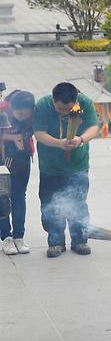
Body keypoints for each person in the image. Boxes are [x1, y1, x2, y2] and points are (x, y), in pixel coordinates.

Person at [32, 82, 99, 258]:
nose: (64, 112)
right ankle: (55, 242)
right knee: (50, 204)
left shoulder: (84, 103)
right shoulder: (43, 105)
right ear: (53, 100)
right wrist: (59, 143)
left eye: (68, 109)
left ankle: (80, 240)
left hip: (78, 165)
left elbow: (94, 126)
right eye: (60, 109)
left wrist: (81, 139)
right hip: (50, 166)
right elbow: (38, 133)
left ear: (76, 101)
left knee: (78, 202)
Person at [0, 90, 35, 255]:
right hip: (2, 158)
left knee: (19, 196)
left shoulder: (35, 113)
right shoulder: (2, 109)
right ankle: (6, 237)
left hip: (22, 158)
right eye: (19, 114)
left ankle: (18, 236)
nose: (22, 117)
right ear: (11, 107)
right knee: (2, 197)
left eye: (26, 114)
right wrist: (10, 137)